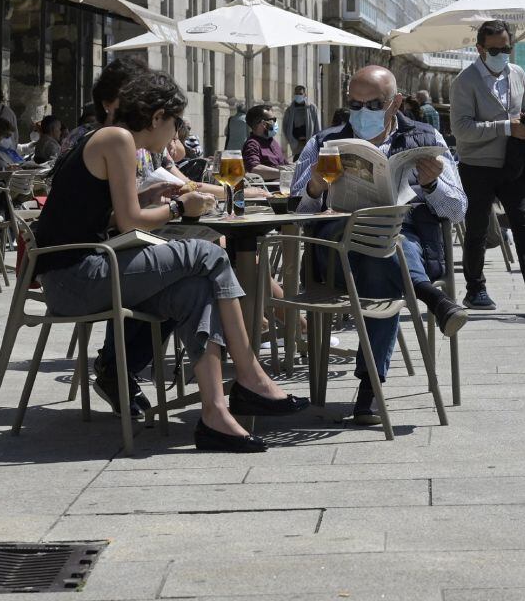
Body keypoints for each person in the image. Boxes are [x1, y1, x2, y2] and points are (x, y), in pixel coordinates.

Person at [34, 70, 306, 453]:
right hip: (76, 276)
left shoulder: (113, 138)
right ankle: (250, 375)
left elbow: (104, 215)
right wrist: (179, 206)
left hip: (80, 272)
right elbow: (129, 221)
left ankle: (216, 415)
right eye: (176, 122)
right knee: (209, 253)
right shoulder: (118, 138)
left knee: (194, 290)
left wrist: (151, 198)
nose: (176, 134)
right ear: (158, 116)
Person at [291, 65, 468, 425]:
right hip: (336, 252)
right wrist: (314, 188)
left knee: (386, 248)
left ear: (395, 102)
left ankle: (370, 385)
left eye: (373, 105)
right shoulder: (324, 142)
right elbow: (297, 211)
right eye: (355, 104)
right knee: (382, 247)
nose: (362, 113)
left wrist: (432, 185)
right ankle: (431, 299)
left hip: (402, 243)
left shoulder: (425, 139)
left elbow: (458, 209)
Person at [451, 19, 525, 312]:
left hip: (515, 162)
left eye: (506, 48)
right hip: (477, 165)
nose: (502, 53)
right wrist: (505, 127)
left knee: (524, 224)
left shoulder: (517, 73)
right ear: (479, 49)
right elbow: (462, 129)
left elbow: (524, 108)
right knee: (477, 228)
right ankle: (475, 288)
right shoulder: (465, 82)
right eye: (495, 49)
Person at [241, 105, 287, 180]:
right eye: (273, 120)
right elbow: (254, 169)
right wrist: (284, 174)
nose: (275, 123)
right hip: (271, 189)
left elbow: (284, 163)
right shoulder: (252, 144)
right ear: (264, 124)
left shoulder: (272, 141)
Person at [283, 85, 319, 157]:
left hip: (309, 143)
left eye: (300, 94)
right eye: (296, 94)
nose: (298, 96)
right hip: (296, 145)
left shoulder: (312, 108)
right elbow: (285, 127)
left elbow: (317, 126)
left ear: (305, 94)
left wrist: (316, 141)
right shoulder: (289, 110)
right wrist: (292, 141)